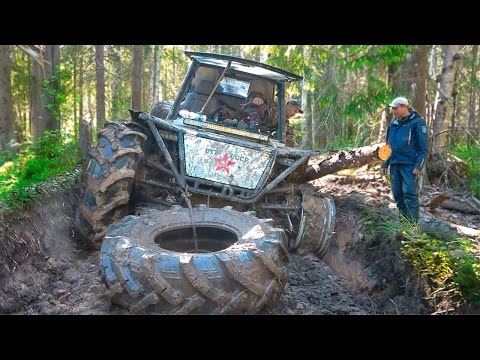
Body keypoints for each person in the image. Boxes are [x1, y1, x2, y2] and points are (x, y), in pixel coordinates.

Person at [380, 96, 428, 223]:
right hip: (395, 163)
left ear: (405, 106)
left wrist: (418, 166)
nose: (394, 111)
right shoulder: (393, 125)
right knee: (397, 193)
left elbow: (423, 148)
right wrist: (385, 163)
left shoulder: (417, 122)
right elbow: (388, 145)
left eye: (396, 108)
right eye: (393, 109)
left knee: (410, 193)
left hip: (409, 164)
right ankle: (404, 221)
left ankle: (412, 224)